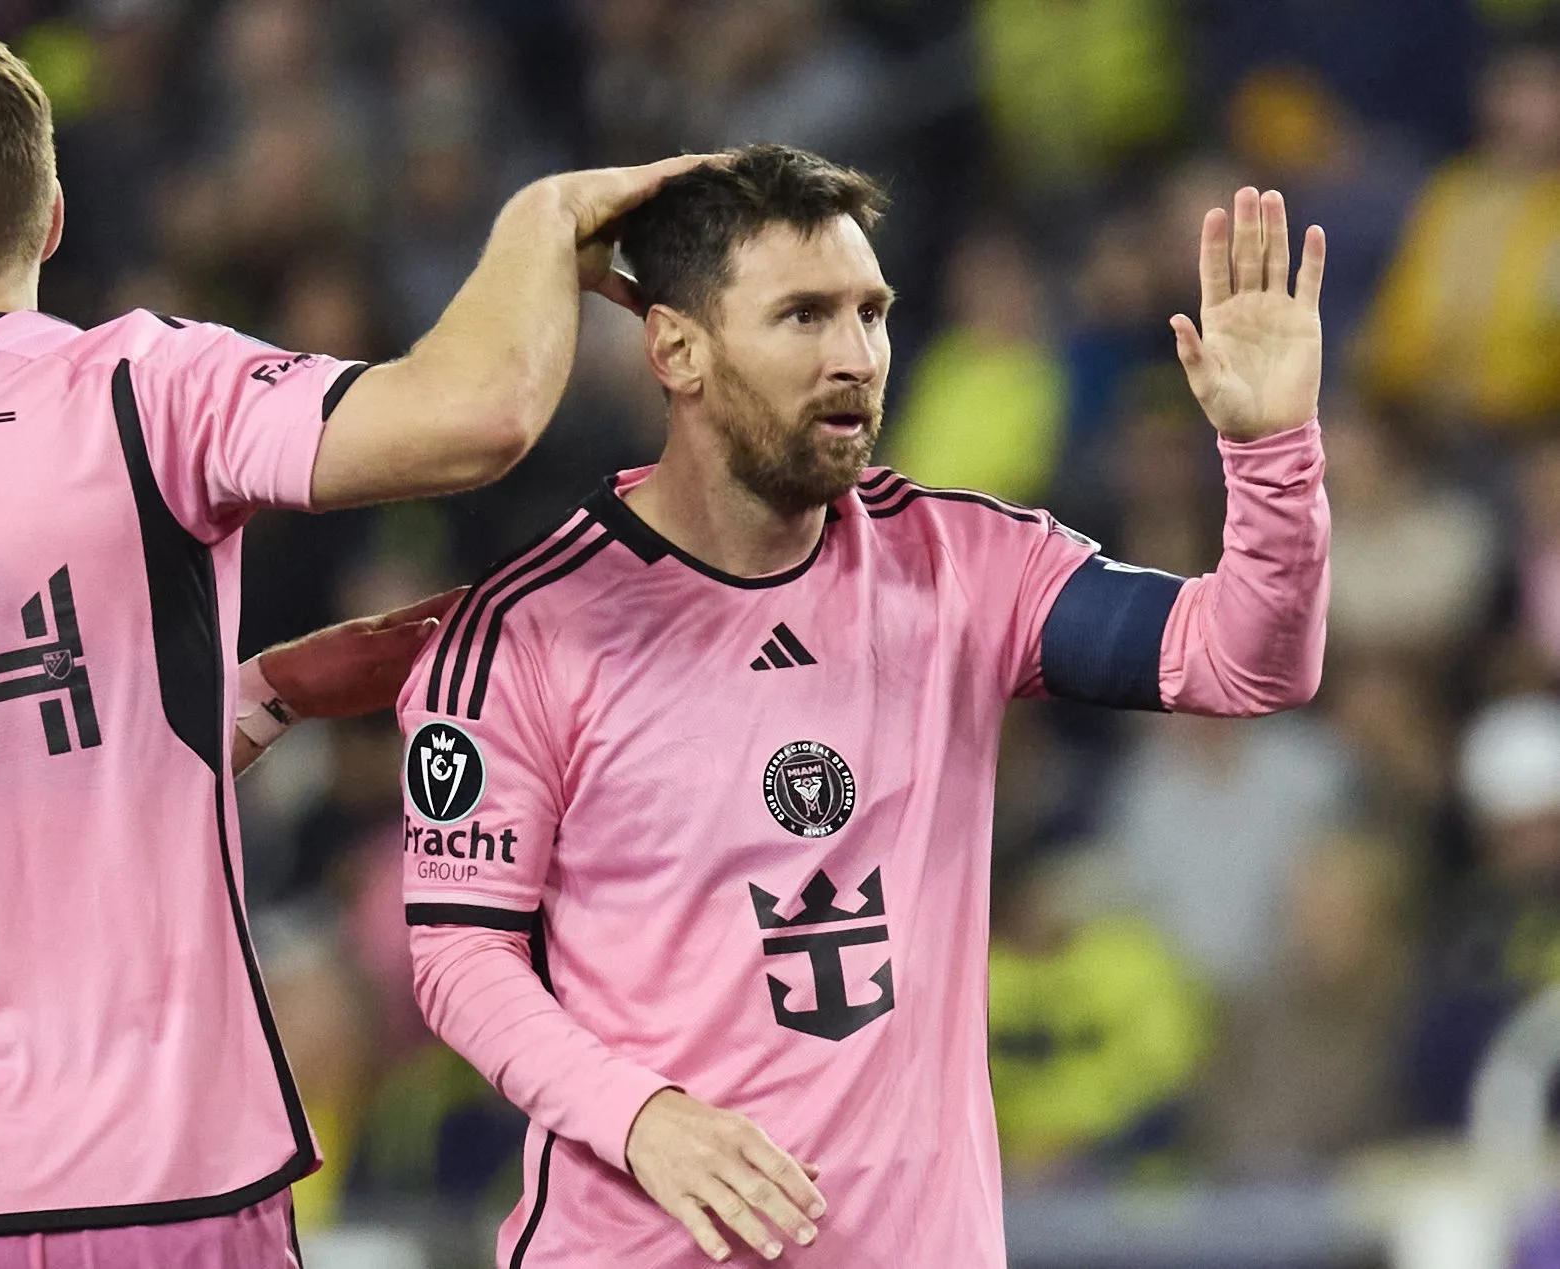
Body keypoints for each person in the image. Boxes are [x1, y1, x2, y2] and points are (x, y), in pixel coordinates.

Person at [0, 17, 707, 1269]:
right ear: (52, 216)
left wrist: (261, 693)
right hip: (160, 1181)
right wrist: (542, 221)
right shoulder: (132, 388)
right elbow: (477, 417)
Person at [400, 143, 1330, 1266]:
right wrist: (641, 1119)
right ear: (677, 350)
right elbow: (460, 957)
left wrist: (1269, 451)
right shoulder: (528, 631)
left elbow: (1244, 661)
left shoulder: (964, 565)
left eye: (872, 313)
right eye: (803, 317)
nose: (855, 357)